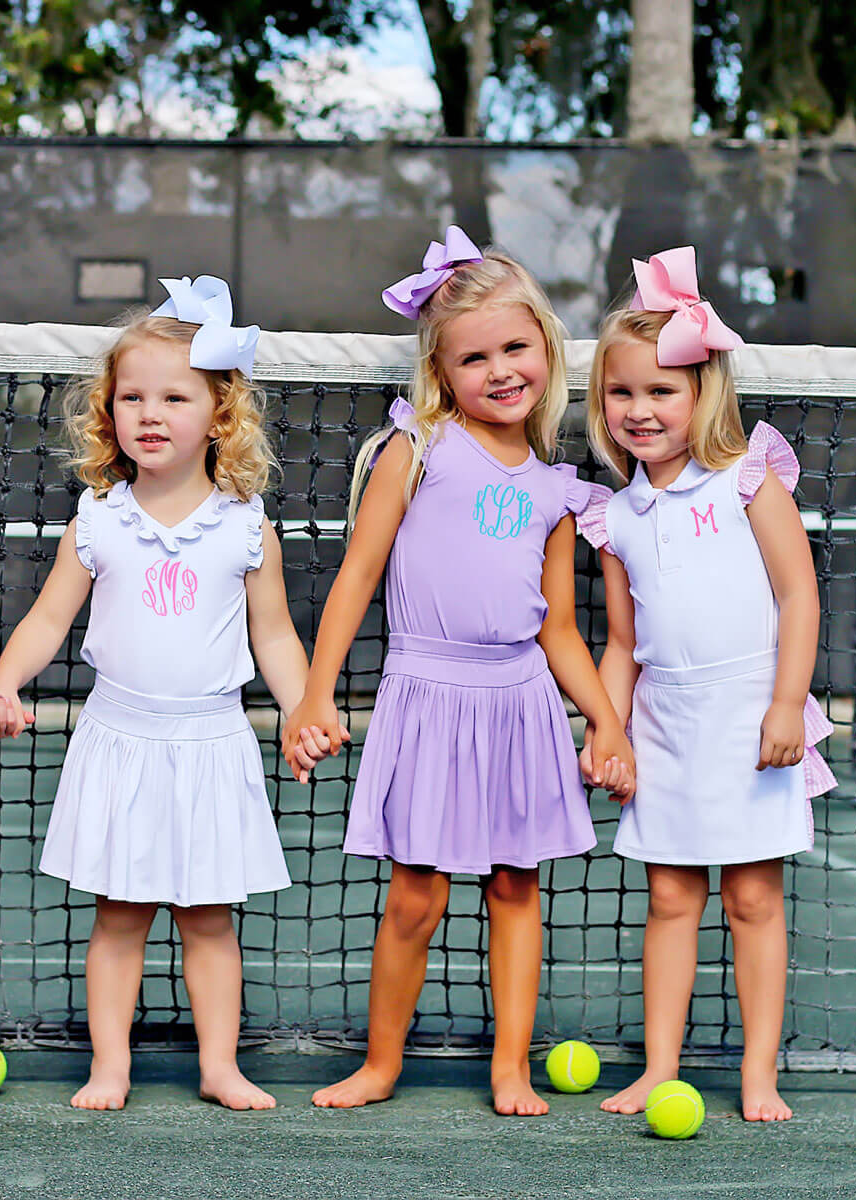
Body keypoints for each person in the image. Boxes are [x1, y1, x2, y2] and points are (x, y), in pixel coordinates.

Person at [282, 227, 634, 1114]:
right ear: (441, 372)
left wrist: (606, 720)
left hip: (520, 704)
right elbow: (357, 576)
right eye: (474, 358)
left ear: (545, 349)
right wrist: (316, 693)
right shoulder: (419, 449)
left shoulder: (557, 489)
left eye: (515, 348)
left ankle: (510, 1068)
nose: (500, 370)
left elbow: (559, 629)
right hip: (426, 699)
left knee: (516, 888)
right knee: (416, 897)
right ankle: (381, 1064)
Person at [0, 276, 334, 1111]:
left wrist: (303, 711)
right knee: (119, 917)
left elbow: (275, 638)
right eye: (132, 396)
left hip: (212, 745)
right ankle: (110, 1068)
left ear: (219, 414)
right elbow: (46, 620)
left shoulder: (246, 525)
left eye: (174, 397)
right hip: (119, 742)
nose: (150, 413)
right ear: (109, 413)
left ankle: (220, 1067)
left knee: (209, 919)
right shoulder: (97, 519)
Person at [578, 246, 835, 1122]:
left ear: (702, 392)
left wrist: (786, 703)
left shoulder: (746, 479)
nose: (640, 409)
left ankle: (759, 1074)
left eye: (661, 390)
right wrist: (607, 730)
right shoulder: (613, 516)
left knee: (753, 898)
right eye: (622, 392)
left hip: (750, 717)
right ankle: (659, 1068)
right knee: (669, 897)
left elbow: (798, 595)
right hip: (665, 725)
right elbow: (622, 642)